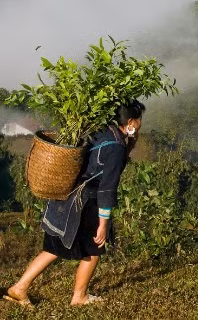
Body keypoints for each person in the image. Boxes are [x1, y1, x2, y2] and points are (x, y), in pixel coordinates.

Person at [4, 100, 144, 308]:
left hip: (67, 195)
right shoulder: (115, 147)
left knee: (53, 248)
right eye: (139, 120)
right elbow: (107, 187)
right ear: (131, 121)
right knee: (94, 249)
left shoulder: (101, 133)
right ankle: (79, 297)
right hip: (86, 203)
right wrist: (103, 224)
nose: (141, 123)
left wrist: (130, 141)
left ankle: (20, 287)